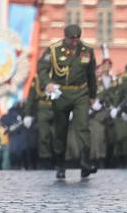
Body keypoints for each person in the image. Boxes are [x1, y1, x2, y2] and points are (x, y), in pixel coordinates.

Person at [36, 24, 98, 179]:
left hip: (81, 93)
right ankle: (60, 164)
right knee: (60, 131)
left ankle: (85, 163)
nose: (75, 41)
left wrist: (93, 95)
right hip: (61, 93)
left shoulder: (87, 51)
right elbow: (42, 69)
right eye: (72, 38)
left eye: (78, 37)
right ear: (65, 37)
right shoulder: (54, 50)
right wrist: (47, 83)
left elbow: (91, 74)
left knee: (83, 127)